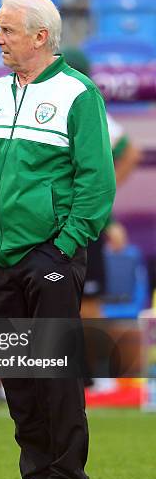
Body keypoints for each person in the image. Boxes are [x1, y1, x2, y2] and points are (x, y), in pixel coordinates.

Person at [0, 0, 116, 479]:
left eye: (7, 30)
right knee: (17, 378)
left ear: (40, 37)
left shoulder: (79, 95)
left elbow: (98, 184)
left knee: (54, 374)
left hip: (50, 257)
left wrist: (63, 249)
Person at [62, 47, 142, 320]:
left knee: (88, 304)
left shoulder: (87, 107)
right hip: (55, 223)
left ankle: (91, 363)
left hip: (79, 223)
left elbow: (129, 154)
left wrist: (103, 204)